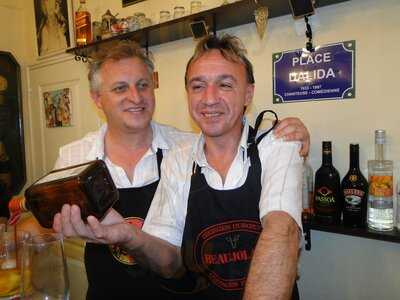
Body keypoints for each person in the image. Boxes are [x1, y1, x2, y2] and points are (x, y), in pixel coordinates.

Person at [53, 38, 308, 299]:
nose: (209, 99)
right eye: (198, 86)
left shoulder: (276, 144)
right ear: (97, 98)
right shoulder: (180, 158)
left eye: (225, 84)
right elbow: (171, 262)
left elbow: (281, 231)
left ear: (248, 93)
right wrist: (128, 235)